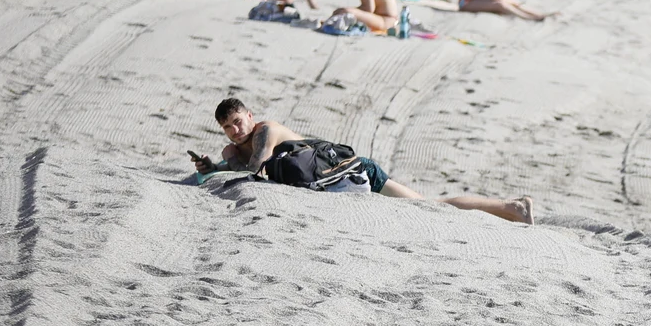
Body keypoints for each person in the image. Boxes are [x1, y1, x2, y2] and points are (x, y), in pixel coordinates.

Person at [192, 98, 532, 223]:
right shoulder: (235, 147)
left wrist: (228, 166)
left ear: (250, 116)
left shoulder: (266, 130)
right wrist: (215, 166)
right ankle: (510, 210)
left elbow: (259, 166)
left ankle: (511, 207)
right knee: (429, 204)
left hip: (354, 169)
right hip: (336, 177)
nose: (235, 131)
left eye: (238, 122)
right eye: (227, 128)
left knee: (430, 205)